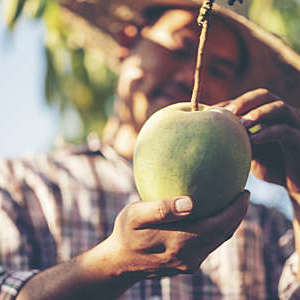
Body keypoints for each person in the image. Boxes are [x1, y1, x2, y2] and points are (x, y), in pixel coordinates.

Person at [1, 1, 300, 299]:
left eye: (220, 71)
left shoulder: (262, 227)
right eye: (179, 49)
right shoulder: (23, 187)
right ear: (127, 42)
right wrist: (115, 262)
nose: (191, 77)